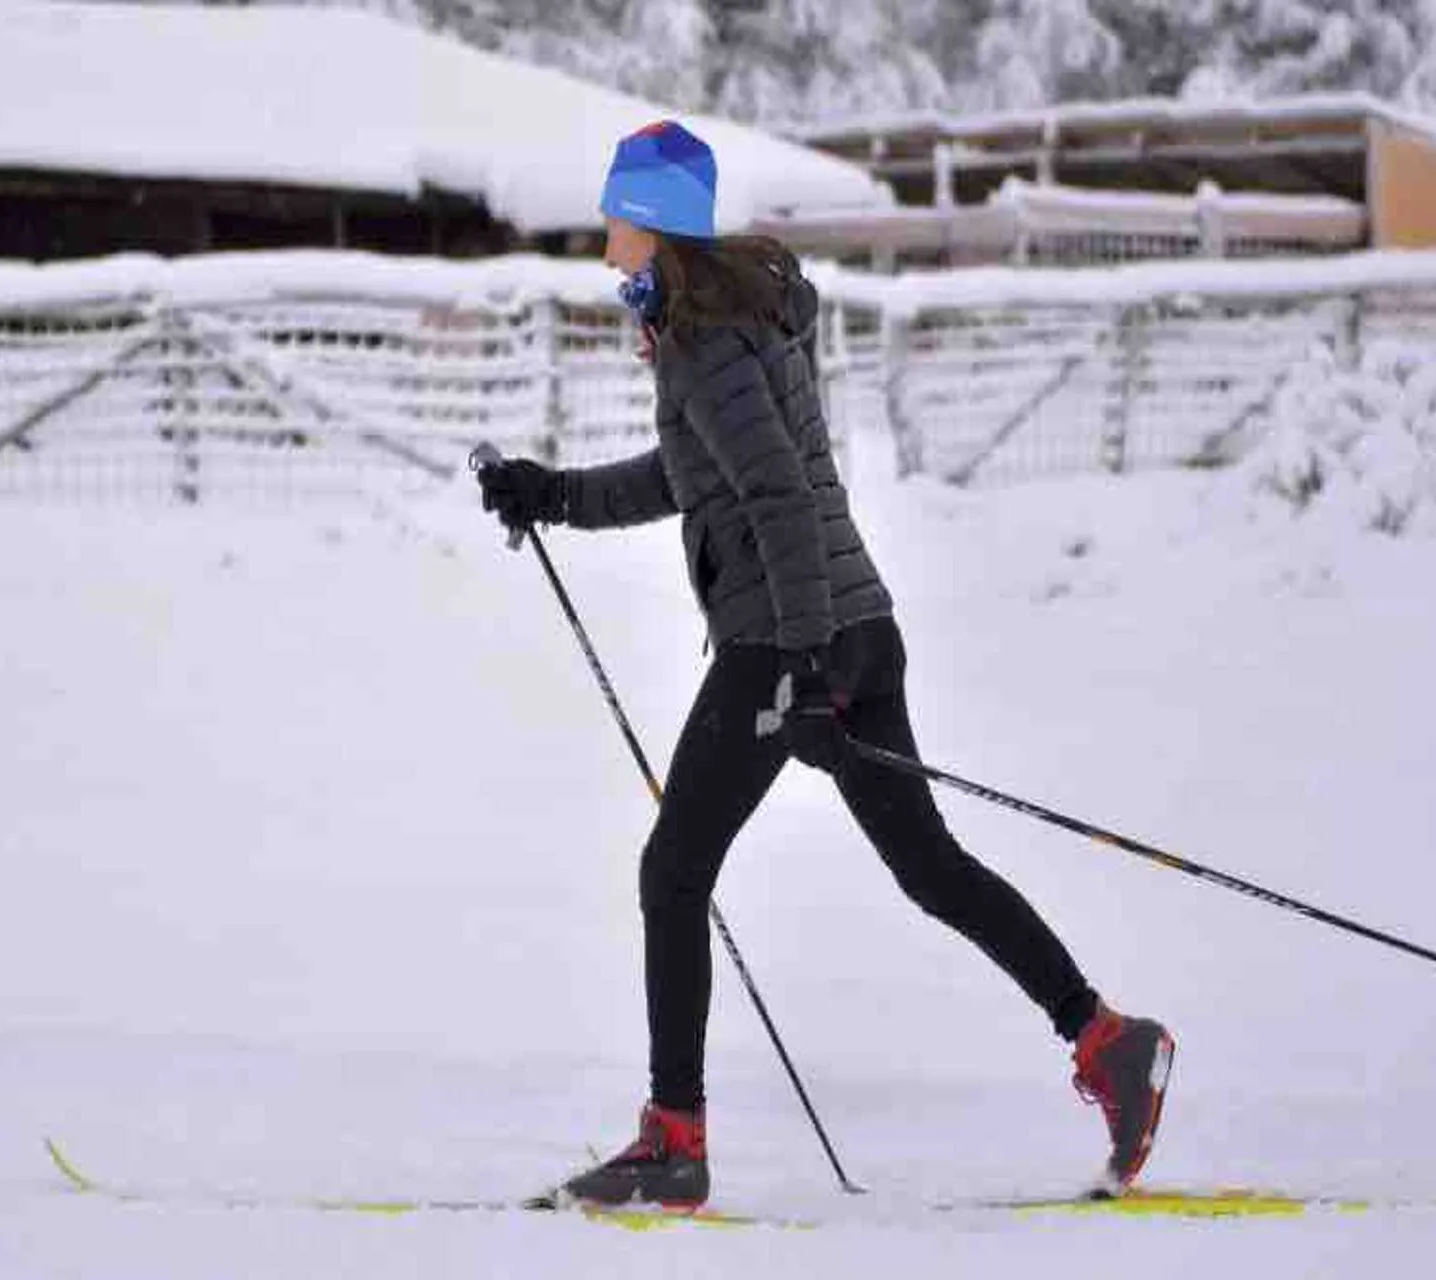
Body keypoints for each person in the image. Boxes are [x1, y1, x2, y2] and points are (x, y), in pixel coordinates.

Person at [475, 120, 1174, 1210]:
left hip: (782, 640)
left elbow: (782, 502)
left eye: (616, 212)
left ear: (648, 222)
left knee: (673, 871)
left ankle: (673, 1140)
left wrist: (802, 670)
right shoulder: (724, 321)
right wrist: (554, 491)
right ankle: (1110, 1041)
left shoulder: (705, 338)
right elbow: (697, 473)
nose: (603, 231)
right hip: (853, 626)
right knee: (929, 867)